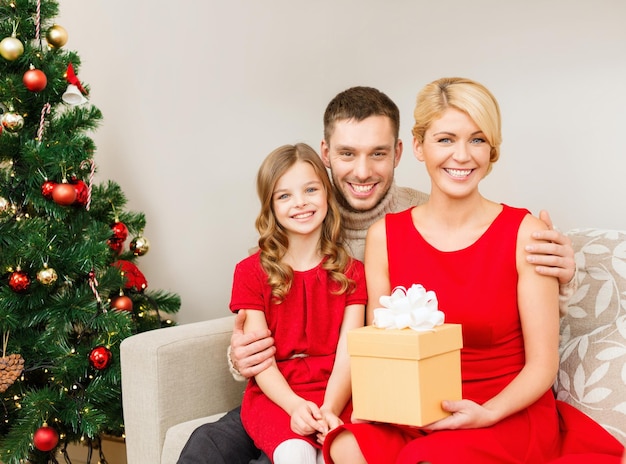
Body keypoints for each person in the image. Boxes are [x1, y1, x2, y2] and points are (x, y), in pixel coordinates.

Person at [177, 86, 578, 464]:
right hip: (291, 394)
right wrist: (240, 356)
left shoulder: (426, 214)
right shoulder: (293, 222)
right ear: (326, 153)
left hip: (354, 391)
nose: (363, 171)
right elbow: (260, 321)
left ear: (402, 152)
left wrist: (562, 277)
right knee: (208, 445)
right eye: (348, 153)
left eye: (378, 154)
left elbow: (497, 303)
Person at [323, 77, 624, 464]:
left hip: (504, 411)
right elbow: (384, 348)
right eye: (445, 139)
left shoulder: (525, 232)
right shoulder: (385, 236)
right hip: (414, 411)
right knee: (344, 446)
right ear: (417, 146)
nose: (462, 156)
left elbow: (543, 365)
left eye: (477, 140)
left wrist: (489, 412)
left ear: (491, 149)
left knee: (428, 459)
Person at [229, 143, 367, 464]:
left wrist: (331, 408)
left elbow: (349, 355)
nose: (301, 203)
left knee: (340, 451)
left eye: (310, 189)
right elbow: (261, 360)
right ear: (271, 207)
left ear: (327, 196)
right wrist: (294, 406)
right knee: (298, 453)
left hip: (339, 392)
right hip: (276, 397)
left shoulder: (352, 272)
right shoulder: (250, 272)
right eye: (285, 195)